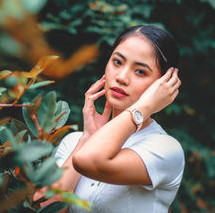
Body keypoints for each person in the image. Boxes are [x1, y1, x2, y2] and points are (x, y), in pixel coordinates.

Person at [34, 25, 185, 213]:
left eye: (140, 71)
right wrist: (87, 138)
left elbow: (89, 161)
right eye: (117, 62)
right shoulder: (74, 142)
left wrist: (144, 108)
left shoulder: (165, 149)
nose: (122, 77)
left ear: (162, 85)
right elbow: (43, 207)